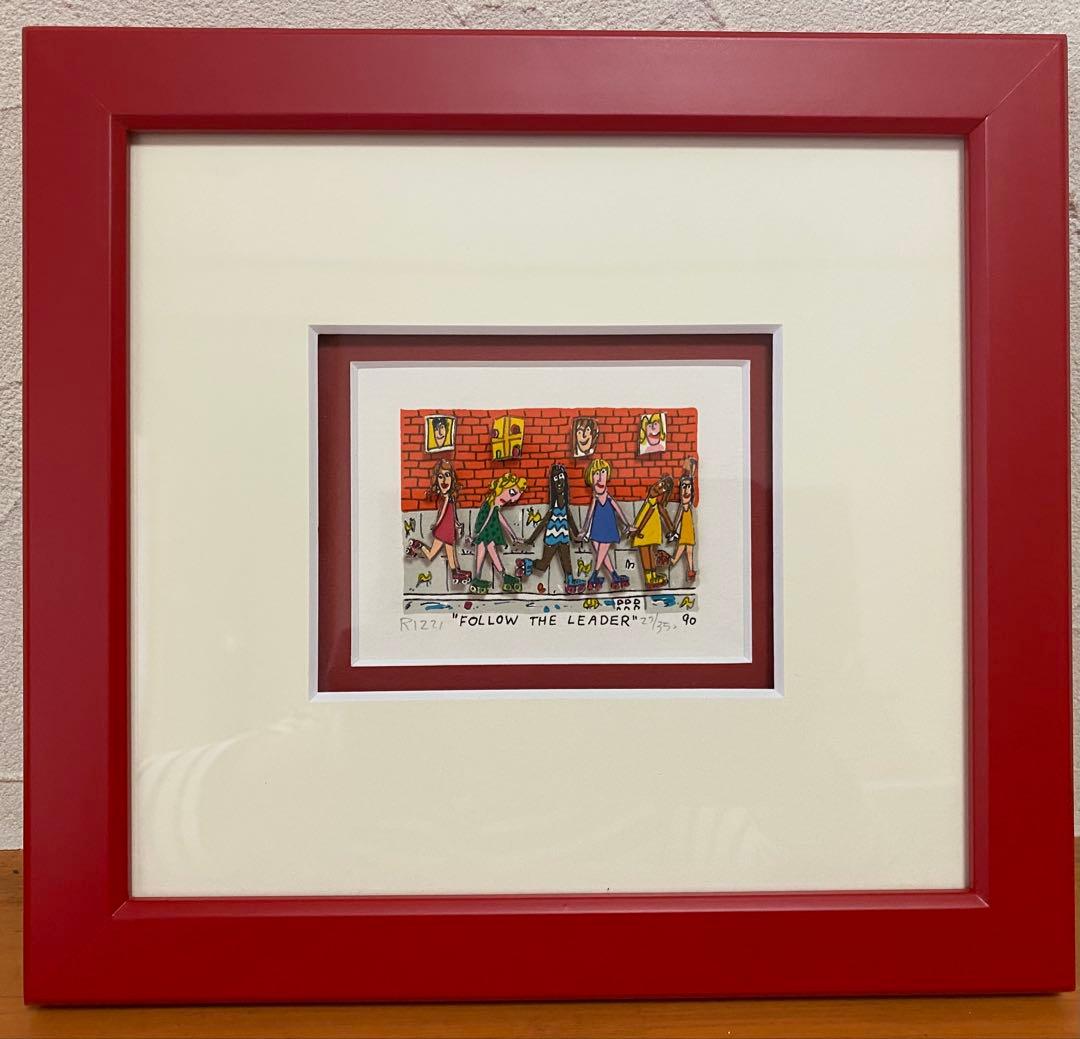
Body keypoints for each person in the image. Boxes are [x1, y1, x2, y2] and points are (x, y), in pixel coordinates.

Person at [519, 463, 583, 592]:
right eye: (555, 478)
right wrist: (530, 540)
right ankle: (528, 563)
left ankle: (570, 580)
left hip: (564, 538)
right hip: (552, 538)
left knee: (567, 562)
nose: (559, 482)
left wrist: (577, 535)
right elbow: (542, 524)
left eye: (561, 477)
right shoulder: (552, 509)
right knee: (543, 565)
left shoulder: (566, 508)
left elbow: (571, 522)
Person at [405, 458, 470, 585]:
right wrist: (436, 524)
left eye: (447, 475)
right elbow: (442, 513)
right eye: (440, 477)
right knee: (440, 553)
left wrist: (457, 524)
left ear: (452, 478)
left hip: (448, 530)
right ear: (437, 480)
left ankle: (455, 571)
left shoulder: (450, 497)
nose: (444, 480)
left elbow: (453, 514)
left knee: (445, 553)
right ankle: (419, 546)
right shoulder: (445, 497)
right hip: (443, 530)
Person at [578, 458, 631, 591]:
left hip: (608, 525)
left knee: (602, 551)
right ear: (591, 478)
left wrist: (627, 524)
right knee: (602, 553)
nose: (600, 477)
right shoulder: (595, 498)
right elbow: (590, 514)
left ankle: (594, 575)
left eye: (603, 472)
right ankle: (614, 576)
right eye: (596, 473)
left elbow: (618, 510)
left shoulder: (608, 497)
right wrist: (584, 529)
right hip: (596, 526)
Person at [471, 472, 527, 593]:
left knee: (487, 552)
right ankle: (492, 577)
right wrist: (477, 534)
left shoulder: (495, 505)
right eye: (511, 493)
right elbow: (486, 519)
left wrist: (513, 536)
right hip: (486, 530)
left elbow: (501, 519)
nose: (510, 499)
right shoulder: (491, 504)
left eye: (513, 499)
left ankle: (489, 577)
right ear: (502, 487)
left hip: (490, 530)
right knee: (484, 552)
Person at [628, 474, 676, 587]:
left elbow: (647, 515)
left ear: (664, 494)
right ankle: (651, 577)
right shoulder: (651, 500)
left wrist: (638, 530)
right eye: (659, 484)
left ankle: (650, 578)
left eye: (662, 488)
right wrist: (671, 528)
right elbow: (663, 515)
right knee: (649, 554)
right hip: (649, 531)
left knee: (647, 554)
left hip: (646, 532)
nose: (658, 488)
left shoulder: (653, 502)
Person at [667, 458, 698, 584]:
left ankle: (690, 570)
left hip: (689, 532)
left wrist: (691, 472)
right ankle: (673, 561)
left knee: (689, 551)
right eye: (684, 487)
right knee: (682, 549)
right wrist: (674, 530)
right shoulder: (682, 507)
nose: (686, 490)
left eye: (688, 487)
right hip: (683, 533)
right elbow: (677, 520)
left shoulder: (689, 506)